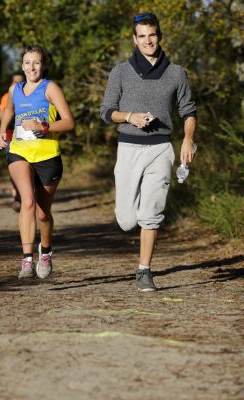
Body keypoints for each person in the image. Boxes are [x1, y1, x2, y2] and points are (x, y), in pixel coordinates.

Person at [100, 13, 197, 292]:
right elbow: (106, 112)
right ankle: (128, 205)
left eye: (151, 35)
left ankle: (144, 271)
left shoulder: (176, 73)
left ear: (159, 36)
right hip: (129, 148)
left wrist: (188, 140)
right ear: (134, 39)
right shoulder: (120, 71)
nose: (147, 41)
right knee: (127, 221)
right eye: (141, 36)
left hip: (161, 149)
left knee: (151, 214)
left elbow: (188, 111)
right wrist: (130, 116)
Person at [0, 44, 74, 279]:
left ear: (43, 65)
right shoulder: (15, 89)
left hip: (47, 155)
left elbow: (69, 122)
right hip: (19, 151)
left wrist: (44, 126)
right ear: (22, 65)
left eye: (37, 62)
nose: (32, 67)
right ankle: (27, 260)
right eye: (28, 62)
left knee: (43, 214)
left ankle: (46, 250)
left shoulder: (50, 89)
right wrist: (2, 131)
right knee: (27, 201)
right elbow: (9, 110)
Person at [0, 72, 24, 212]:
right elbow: (2, 115)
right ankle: (17, 197)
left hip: (28, 137)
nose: (17, 85)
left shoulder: (30, 94)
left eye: (20, 82)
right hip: (10, 136)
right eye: (15, 82)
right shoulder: (6, 97)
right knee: (15, 167)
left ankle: (25, 196)